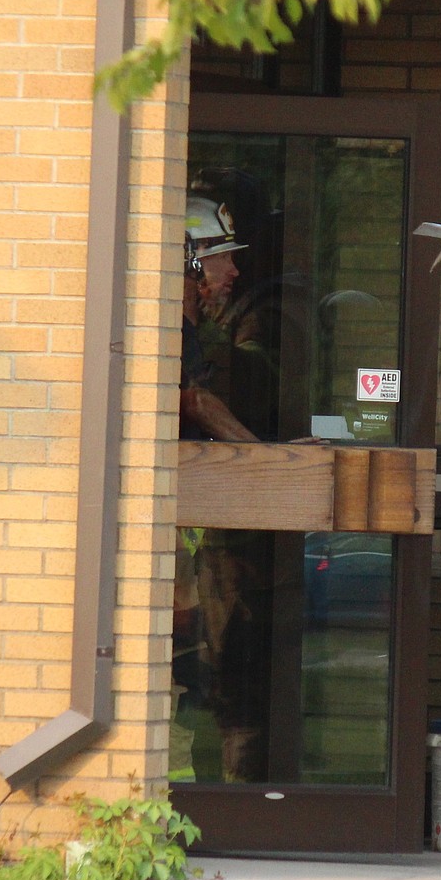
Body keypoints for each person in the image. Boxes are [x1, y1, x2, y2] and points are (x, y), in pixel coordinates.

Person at [175, 195, 271, 783]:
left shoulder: (188, 331)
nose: (233, 273)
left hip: (190, 544)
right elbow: (193, 399)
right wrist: (263, 457)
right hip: (179, 549)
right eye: (219, 258)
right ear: (189, 261)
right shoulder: (173, 328)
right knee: (187, 675)